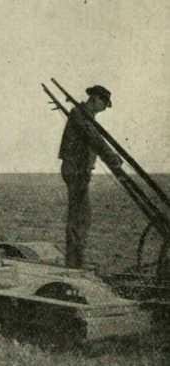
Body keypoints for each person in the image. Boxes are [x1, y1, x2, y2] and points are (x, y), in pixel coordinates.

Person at [58, 85, 122, 269]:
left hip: (80, 171)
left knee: (81, 217)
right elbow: (94, 138)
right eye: (104, 103)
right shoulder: (80, 115)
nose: (104, 107)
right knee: (80, 217)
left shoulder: (84, 115)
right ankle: (75, 264)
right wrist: (111, 157)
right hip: (76, 171)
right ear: (95, 98)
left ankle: (75, 262)